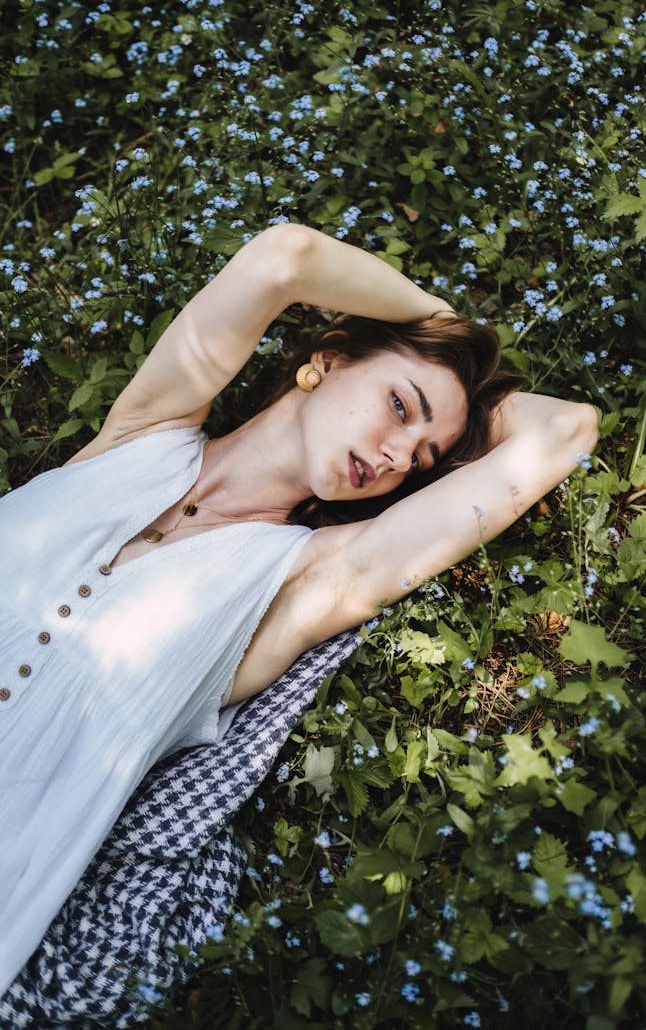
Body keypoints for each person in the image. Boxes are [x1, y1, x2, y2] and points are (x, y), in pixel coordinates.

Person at [0, 222, 598, 996]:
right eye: (398, 403)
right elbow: (283, 258)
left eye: (418, 460)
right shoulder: (139, 435)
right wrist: (447, 327)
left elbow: (565, 428)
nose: (393, 454)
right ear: (329, 355)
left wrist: (457, 385)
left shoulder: (303, 580)